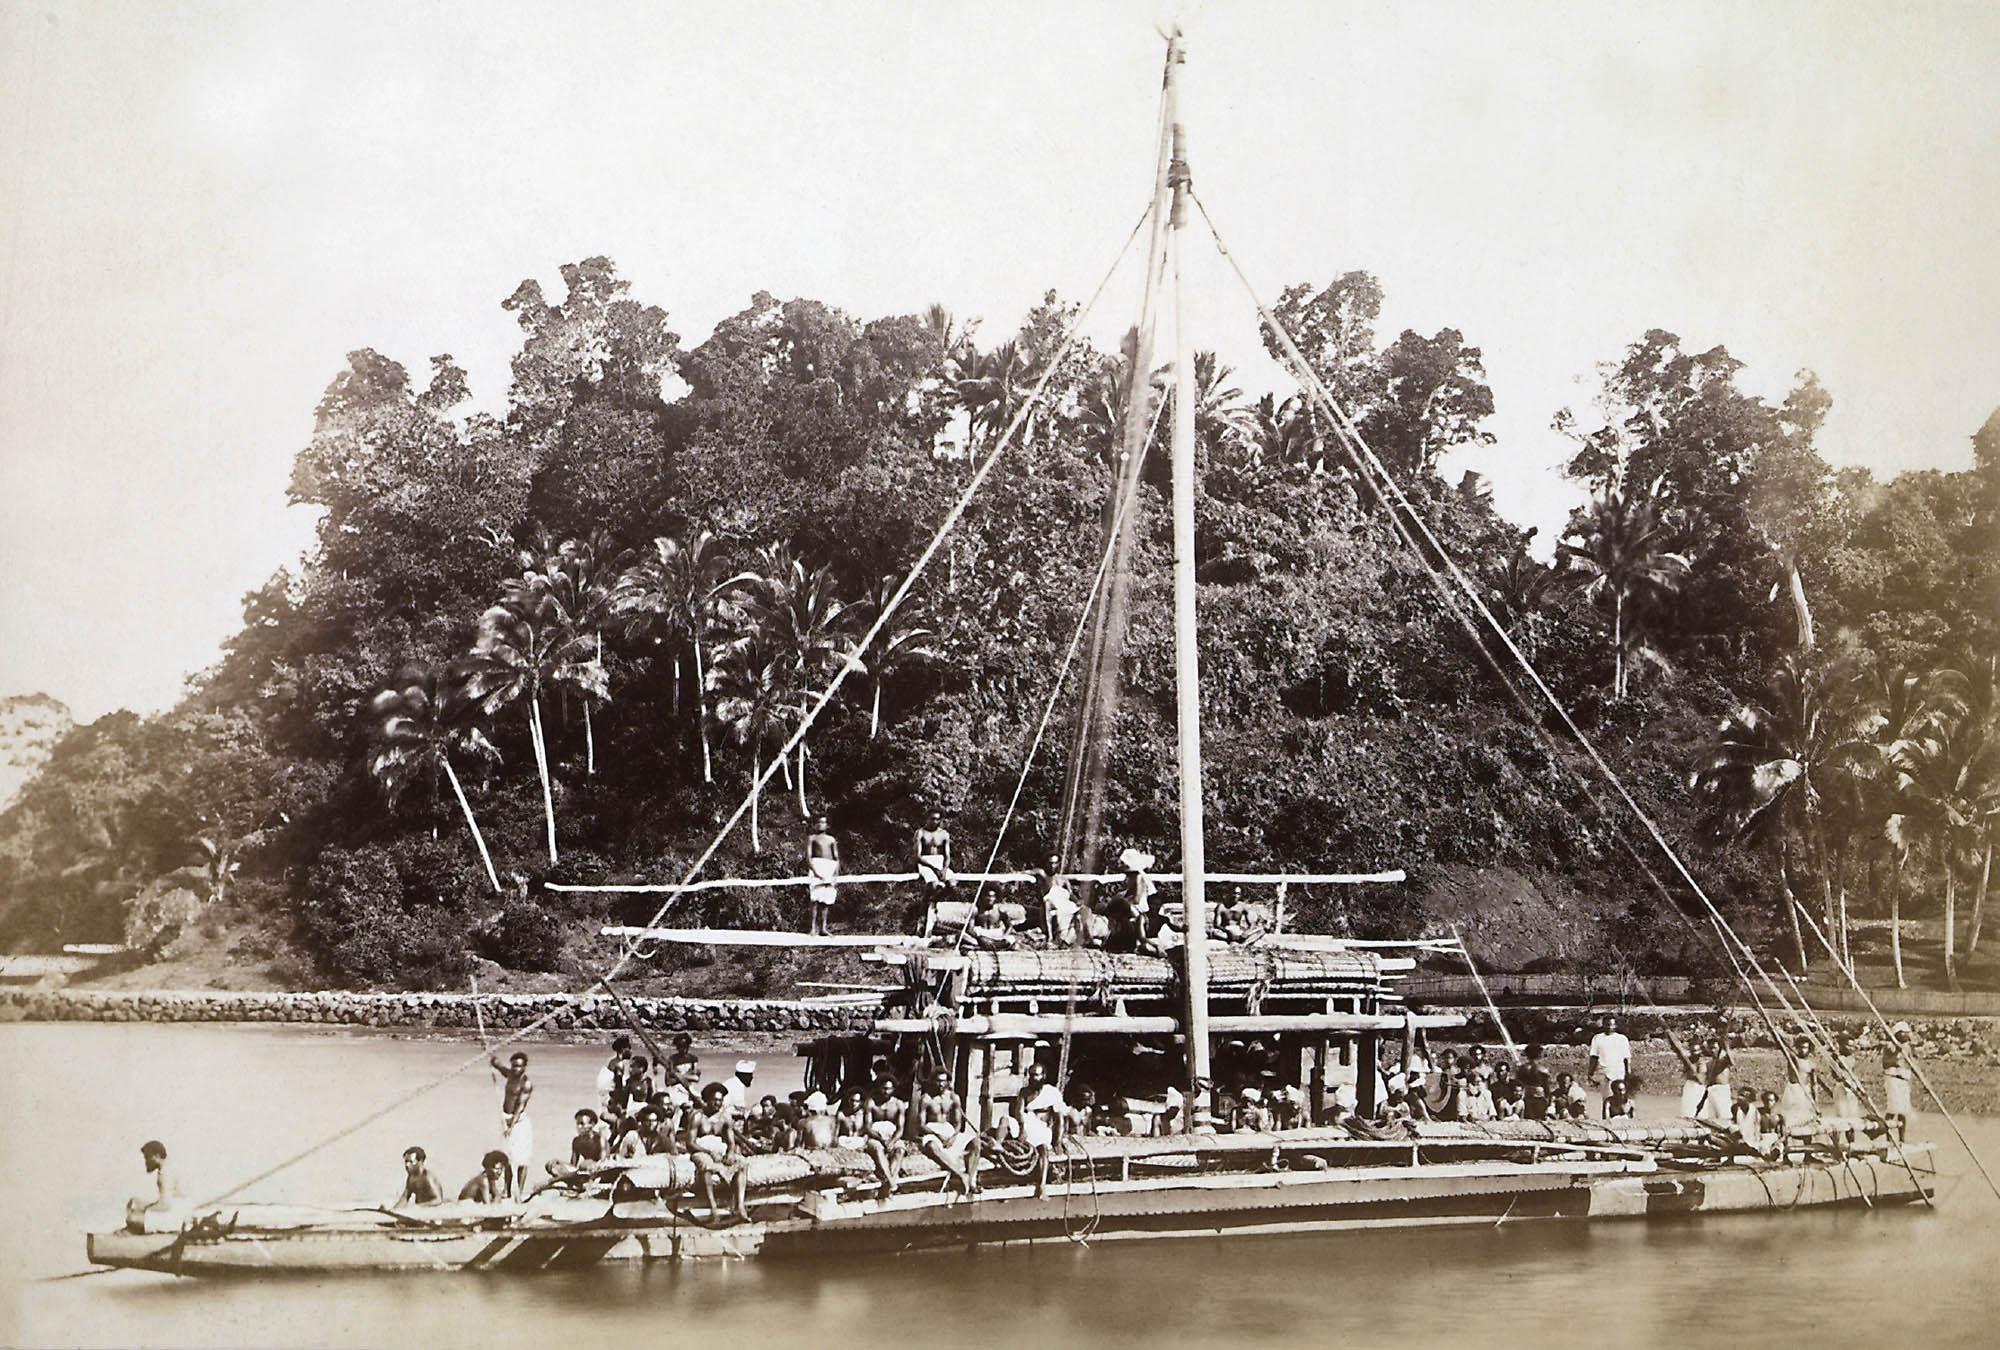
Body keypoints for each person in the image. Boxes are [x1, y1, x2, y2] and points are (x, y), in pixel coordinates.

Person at [684, 1083, 751, 1223]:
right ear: (707, 1100)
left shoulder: (725, 1118)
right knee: (707, 1166)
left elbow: (731, 1141)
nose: (718, 1103)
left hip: (719, 1148)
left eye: (720, 1100)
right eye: (715, 1100)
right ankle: (713, 1208)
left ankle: (740, 1206)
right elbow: (690, 1143)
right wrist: (708, 1152)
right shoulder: (697, 1117)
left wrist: (731, 1152)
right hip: (701, 1149)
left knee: (742, 1164)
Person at [916, 1066, 983, 1196]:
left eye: (943, 1081)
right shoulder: (926, 1099)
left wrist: (954, 1136)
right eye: (938, 1081)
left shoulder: (953, 1097)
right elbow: (921, 1125)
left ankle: (971, 1179)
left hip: (950, 1130)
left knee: (976, 1142)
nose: (940, 1084)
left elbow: (958, 1122)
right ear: (933, 1081)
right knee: (931, 1147)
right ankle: (961, 1175)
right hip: (932, 1130)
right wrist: (937, 1136)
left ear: (948, 1082)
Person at [1014, 1061, 1067, 1199]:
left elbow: (1059, 1119)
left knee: (1043, 1149)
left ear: (1043, 1076)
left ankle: (1042, 1185)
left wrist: (1058, 1141)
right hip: (1027, 1123)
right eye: (1031, 1075)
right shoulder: (1024, 1092)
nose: (1034, 1079)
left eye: (1037, 1075)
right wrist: (1022, 1128)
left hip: (1042, 1128)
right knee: (1005, 1123)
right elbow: (1019, 1112)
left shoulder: (1052, 1092)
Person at [492, 1051, 535, 1195]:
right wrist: (495, 1062)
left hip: (519, 1121)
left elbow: (520, 1106)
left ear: (524, 1067)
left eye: (519, 1066)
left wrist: (511, 1125)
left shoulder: (526, 1083)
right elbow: (500, 1068)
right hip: (506, 1119)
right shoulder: (510, 1075)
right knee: (507, 1156)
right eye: (514, 1066)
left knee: (522, 1159)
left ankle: (520, 1192)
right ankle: (507, 1190)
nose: (516, 1069)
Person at [862, 1075, 908, 1199]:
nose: (886, 1092)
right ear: (879, 1088)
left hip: (893, 1136)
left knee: (900, 1150)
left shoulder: (899, 1104)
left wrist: (892, 1141)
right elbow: (868, 1127)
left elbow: (900, 1129)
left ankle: (888, 1182)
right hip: (875, 1136)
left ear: (894, 1089)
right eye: (883, 1089)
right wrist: (881, 1139)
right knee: (877, 1149)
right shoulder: (871, 1102)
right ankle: (892, 1181)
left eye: (889, 1089)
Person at [126, 1140, 182, 1232]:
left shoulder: (165, 1174)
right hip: (176, 1214)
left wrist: (143, 1209)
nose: (146, 1162)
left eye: (147, 1158)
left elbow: (165, 1205)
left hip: (174, 1217)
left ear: (157, 1156)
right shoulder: (170, 1168)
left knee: (132, 1218)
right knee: (135, 1204)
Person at [1586, 1014, 1633, 1110]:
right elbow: (1594, 1057)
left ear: (1615, 1026)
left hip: (1618, 1072)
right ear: (1603, 1025)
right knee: (1607, 1098)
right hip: (1605, 1073)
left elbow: (1626, 1058)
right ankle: (1607, 1118)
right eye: (1606, 1024)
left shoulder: (1622, 1039)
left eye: (1611, 1025)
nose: (1609, 1027)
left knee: (1621, 1096)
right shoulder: (1597, 1038)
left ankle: (1623, 1117)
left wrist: (1628, 1074)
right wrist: (1590, 1073)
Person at [807, 815, 840, 937]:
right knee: (815, 899)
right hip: (817, 866)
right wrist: (815, 872)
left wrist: (835, 874)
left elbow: (836, 858)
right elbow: (808, 857)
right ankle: (812, 928)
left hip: (829, 868)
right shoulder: (812, 838)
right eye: (819, 823)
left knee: (826, 900)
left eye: (823, 823)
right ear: (815, 825)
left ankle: (823, 928)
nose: (821, 825)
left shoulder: (831, 839)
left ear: (827, 825)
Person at [914, 811, 954, 913]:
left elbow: (947, 855)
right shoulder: (920, 833)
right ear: (927, 818)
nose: (935, 821)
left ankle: (933, 901)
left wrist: (944, 869)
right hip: (925, 862)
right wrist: (933, 868)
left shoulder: (944, 834)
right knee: (933, 884)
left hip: (940, 861)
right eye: (932, 819)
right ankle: (923, 908)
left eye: (937, 819)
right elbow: (917, 856)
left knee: (952, 883)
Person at [1882, 1035, 1914, 1141]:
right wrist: (1897, 1052)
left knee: (1903, 1111)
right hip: (1893, 1079)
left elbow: (1910, 1061)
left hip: (1903, 1080)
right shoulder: (1890, 1046)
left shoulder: (1907, 1048)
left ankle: (1901, 1139)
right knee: (1892, 1108)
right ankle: (1889, 1139)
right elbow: (1887, 1062)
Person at [1040, 864, 1080, 947]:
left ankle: (1067, 938)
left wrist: (1077, 901)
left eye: (1055, 863)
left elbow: (1070, 893)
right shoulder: (1044, 877)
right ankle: (1050, 935)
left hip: (1063, 901)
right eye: (1050, 863)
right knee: (1048, 906)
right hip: (1051, 901)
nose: (1052, 866)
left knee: (1074, 912)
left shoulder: (1063, 878)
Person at [595, 1035, 633, 1114]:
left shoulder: (610, 1061)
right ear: (623, 1049)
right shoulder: (619, 1064)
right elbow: (618, 1087)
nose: (631, 1051)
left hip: (604, 1096)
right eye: (629, 1048)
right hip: (611, 1099)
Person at [1517, 1044, 1552, 1122]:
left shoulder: (1522, 1068)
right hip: (1539, 1098)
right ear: (1539, 1054)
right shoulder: (1543, 1070)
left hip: (1526, 1097)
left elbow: (1519, 1082)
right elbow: (1547, 1088)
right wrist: (1548, 1101)